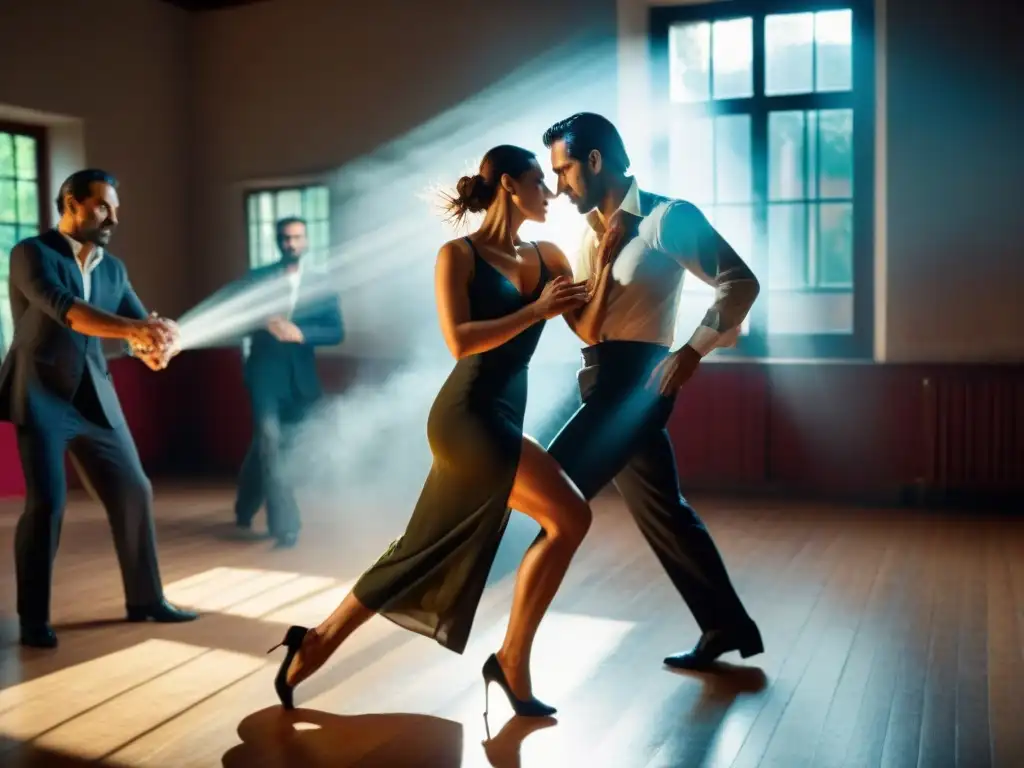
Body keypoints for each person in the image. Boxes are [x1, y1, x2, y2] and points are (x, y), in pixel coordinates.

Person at [267, 145, 591, 717]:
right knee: (569, 516)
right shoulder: (458, 255)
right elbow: (460, 342)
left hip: (503, 414)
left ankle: (315, 641)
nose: (550, 192)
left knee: (421, 550)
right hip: (466, 416)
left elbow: (587, 323)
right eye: (540, 181)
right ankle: (512, 662)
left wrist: (611, 263)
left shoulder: (552, 255)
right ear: (512, 186)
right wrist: (535, 312)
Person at [542, 113, 764, 670]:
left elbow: (741, 281)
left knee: (546, 489)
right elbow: (590, 329)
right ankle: (727, 626)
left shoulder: (669, 218)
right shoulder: (587, 234)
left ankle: (497, 636)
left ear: (594, 160)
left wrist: (691, 351)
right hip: (599, 376)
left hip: (637, 383)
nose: (558, 185)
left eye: (564, 170)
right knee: (664, 511)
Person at [0, 168, 198, 649]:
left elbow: (137, 323)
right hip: (41, 395)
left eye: (115, 207)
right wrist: (134, 333)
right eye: (102, 206)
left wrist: (158, 342)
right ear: (71, 203)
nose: (113, 216)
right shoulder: (32, 253)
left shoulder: (114, 268)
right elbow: (66, 309)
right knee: (47, 505)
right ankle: (32, 619)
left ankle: (146, 600)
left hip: (94, 399)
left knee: (135, 490)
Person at [232, 216, 344, 548]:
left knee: (269, 446)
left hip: (302, 380)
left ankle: (244, 504)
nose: (290, 244)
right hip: (264, 375)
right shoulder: (256, 280)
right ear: (277, 242)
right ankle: (286, 526)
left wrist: (301, 333)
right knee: (270, 442)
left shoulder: (321, 284)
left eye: (296, 238)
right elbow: (235, 321)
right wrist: (260, 321)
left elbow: (338, 331)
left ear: (306, 242)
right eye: (285, 238)